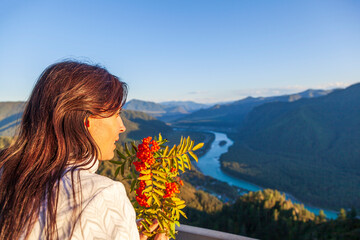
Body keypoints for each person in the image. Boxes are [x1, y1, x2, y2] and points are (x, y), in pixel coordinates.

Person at [0, 61, 168, 240]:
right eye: (117, 114)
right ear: (88, 121)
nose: (122, 127)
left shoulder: (5, 171)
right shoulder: (103, 195)